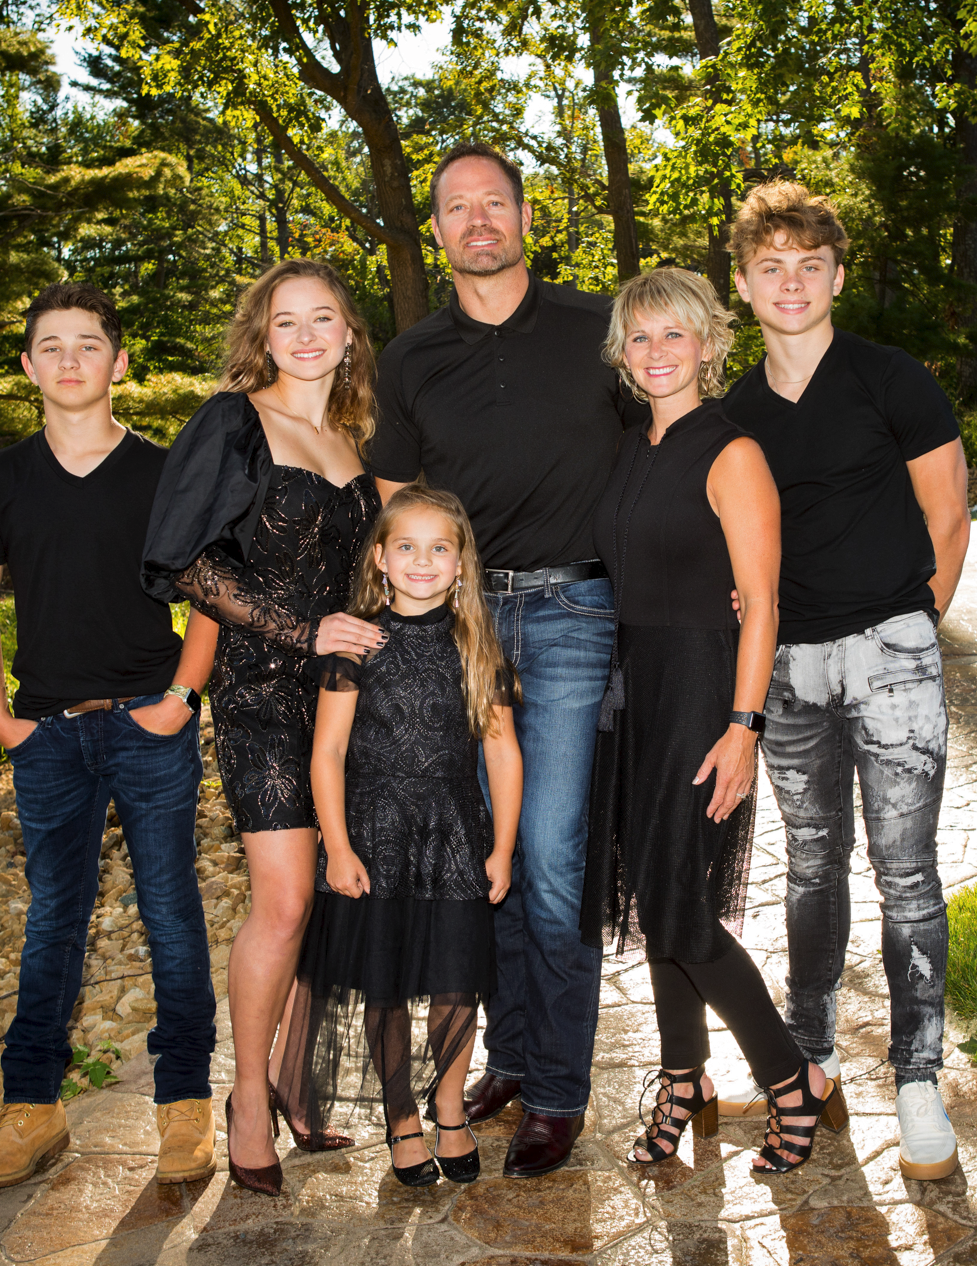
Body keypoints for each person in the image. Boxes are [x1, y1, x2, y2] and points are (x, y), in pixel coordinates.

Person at [369, 142, 646, 1177]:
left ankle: (560, 1093)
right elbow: (395, 498)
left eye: (495, 204)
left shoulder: (594, 329)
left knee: (554, 854)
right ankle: (517, 1056)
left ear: (527, 218)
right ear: (435, 231)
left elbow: (666, 440)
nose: (477, 221)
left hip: (576, 610)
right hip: (466, 625)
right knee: (488, 851)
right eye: (456, 209)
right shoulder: (412, 358)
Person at [723, 183, 971, 1180]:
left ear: (836, 274)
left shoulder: (890, 378)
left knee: (905, 872)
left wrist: (913, 634)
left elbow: (948, 518)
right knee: (813, 866)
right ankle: (811, 1058)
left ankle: (918, 1078)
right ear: (742, 286)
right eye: (769, 267)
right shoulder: (735, 411)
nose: (791, 283)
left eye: (809, 265)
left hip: (890, 649)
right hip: (788, 668)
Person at [0, 283, 219, 1189]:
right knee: (53, 920)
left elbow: (209, 594)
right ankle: (31, 1107)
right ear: (28, 366)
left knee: (172, 915)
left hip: (149, 723)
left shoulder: (159, 473)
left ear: (120, 362)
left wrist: (183, 695)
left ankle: (185, 1104)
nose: (71, 360)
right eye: (52, 346)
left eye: (89, 344)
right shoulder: (0, 480)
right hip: (50, 736)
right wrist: (1, 721)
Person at [580, 266, 840, 1174]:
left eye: (674, 335)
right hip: (632, 686)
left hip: (699, 689)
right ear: (623, 352)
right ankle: (684, 1080)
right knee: (655, 899)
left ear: (707, 344)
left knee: (683, 911)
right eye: (640, 338)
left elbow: (761, 603)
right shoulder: (627, 449)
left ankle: (790, 1078)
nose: (657, 353)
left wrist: (743, 726)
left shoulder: (732, 453)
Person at [140, 259, 386, 1192]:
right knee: (282, 900)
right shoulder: (235, 421)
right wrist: (301, 627)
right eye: (288, 322)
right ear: (263, 337)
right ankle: (247, 1097)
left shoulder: (353, 441)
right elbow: (187, 563)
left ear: (350, 335)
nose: (309, 335)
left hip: (347, 697)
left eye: (325, 319)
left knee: (332, 890)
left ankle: (294, 1076)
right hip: (260, 693)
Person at [269, 486, 523, 1192]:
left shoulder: (477, 647)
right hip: (376, 839)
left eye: (440, 547)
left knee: (455, 981)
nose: (422, 561)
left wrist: (501, 847)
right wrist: (339, 847)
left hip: (454, 836)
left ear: (461, 562)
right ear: (379, 558)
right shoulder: (356, 643)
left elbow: (501, 752)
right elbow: (326, 753)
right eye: (405, 546)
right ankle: (401, 1113)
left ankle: (449, 1103)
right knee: (384, 987)